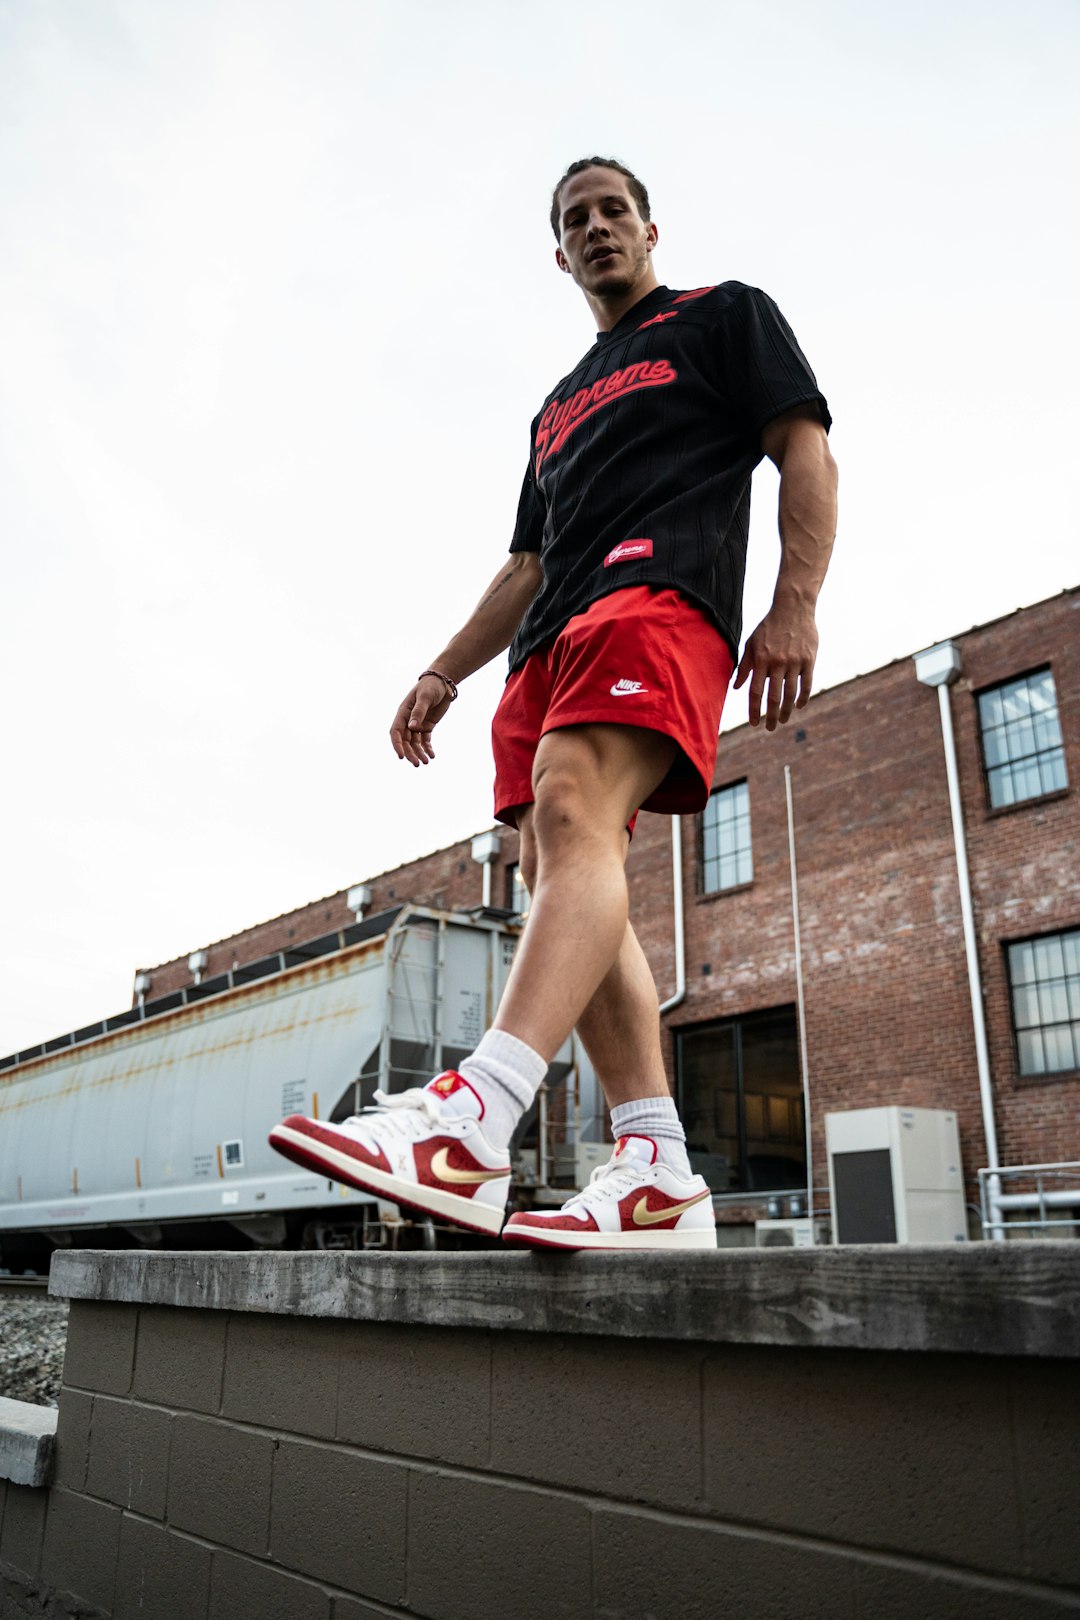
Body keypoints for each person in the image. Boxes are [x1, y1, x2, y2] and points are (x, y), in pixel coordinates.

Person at [270, 156, 837, 1250]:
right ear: (559, 251)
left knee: (576, 811)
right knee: (560, 871)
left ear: (650, 227)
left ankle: (473, 1124)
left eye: (613, 209)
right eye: (574, 219)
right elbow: (525, 562)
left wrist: (794, 604)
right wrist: (443, 670)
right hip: (547, 642)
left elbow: (805, 453)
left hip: (659, 594)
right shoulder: (556, 407)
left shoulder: (724, 317)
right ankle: (655, 1167)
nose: (596, 227)